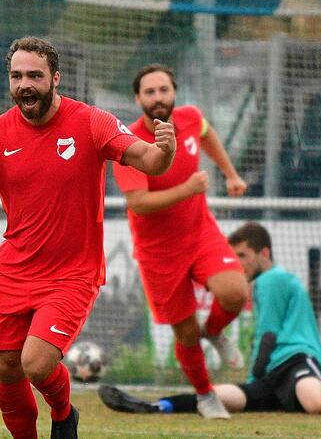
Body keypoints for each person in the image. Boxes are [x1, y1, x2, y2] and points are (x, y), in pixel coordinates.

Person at [0, 36, 176, 439]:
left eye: (35, 76)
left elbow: (147, 158)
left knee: (37, 363)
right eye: (17, 76)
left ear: (55, 78)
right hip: (15, 270)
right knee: (6, 369)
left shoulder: (91, 122)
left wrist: (164, 151)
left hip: (72, 274)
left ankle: (64, 414)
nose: (25, 84)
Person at [98, 221, 321, 415]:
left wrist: (255, 377)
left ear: (264, 253)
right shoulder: (264, 283)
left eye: (242, 256)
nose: (237, 263)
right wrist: (256, 385)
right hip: (274, 371)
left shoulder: (271, 280)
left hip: (295, 361)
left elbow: (269, 336)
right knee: (224, 397)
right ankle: (156, 406)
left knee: (320, 405)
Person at [111, 63, 250, 419]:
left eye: (164, 90)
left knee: (235, 293)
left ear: (175, 92)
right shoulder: (127, 144)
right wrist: (187, 189)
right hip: (158, 253)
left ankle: (215, 332)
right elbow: (138, 203)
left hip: (200, 232)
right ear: (137, 98)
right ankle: (206, 396)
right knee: (186, 333)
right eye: (150, 92)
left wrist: (230, 174)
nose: (158, 98)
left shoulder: (190, 117)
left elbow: (207, 135)